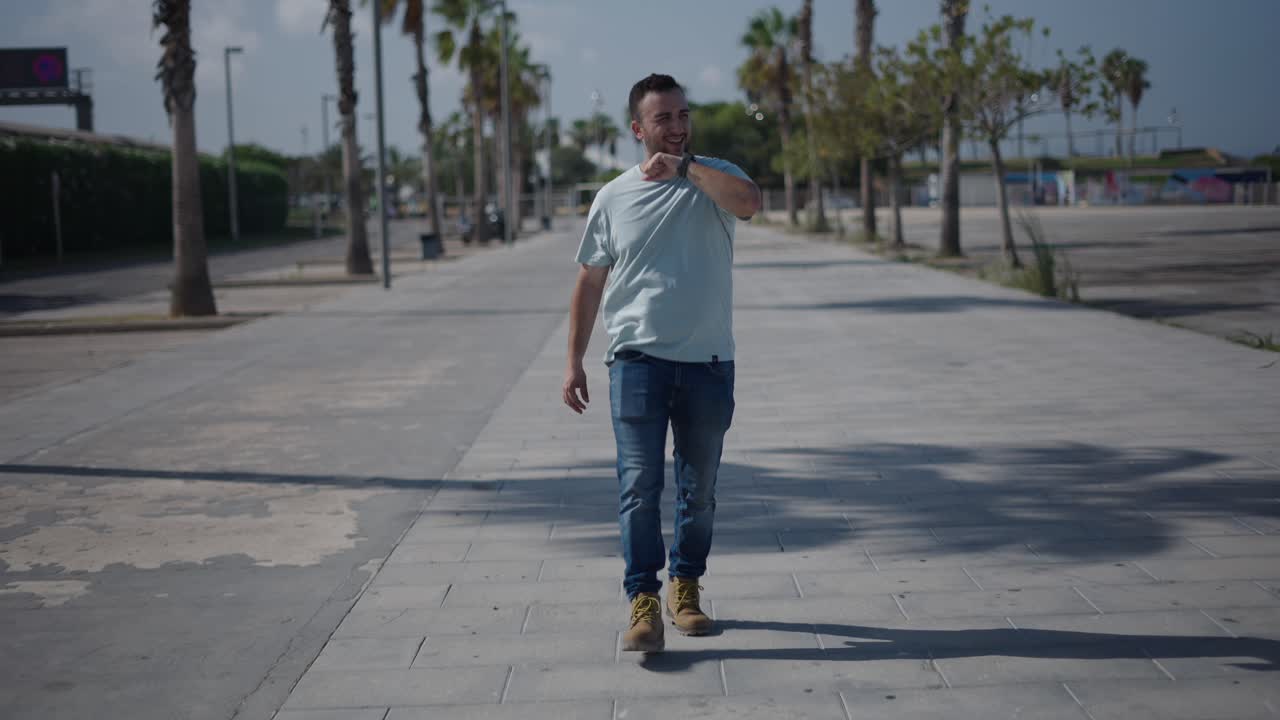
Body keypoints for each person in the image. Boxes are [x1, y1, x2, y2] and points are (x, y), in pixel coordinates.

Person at [561, 73, 761, 653]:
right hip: (636, 363)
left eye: (682, 115)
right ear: (637, 130)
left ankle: (686, 587)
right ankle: (642, 600)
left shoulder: (716, 178)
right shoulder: (614, 196)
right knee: (638, 487)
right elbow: (589, 280)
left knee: (699, 493)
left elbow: (750, 203)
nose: (676, 127)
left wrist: (686, 169)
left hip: (707, 364)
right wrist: (573, 361)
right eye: (663, 119)